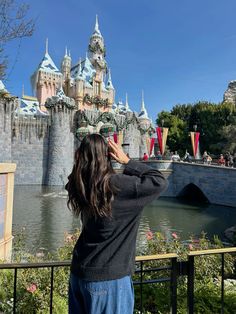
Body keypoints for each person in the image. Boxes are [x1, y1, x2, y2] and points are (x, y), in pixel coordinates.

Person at [65, 134, 167, 314]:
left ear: (80, 155)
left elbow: (76, 176)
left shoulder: (79, 185)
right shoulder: (118, 186)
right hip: (109, 280)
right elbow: (158, 181)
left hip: (79, 274)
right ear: (108, 155)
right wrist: (127, 161)